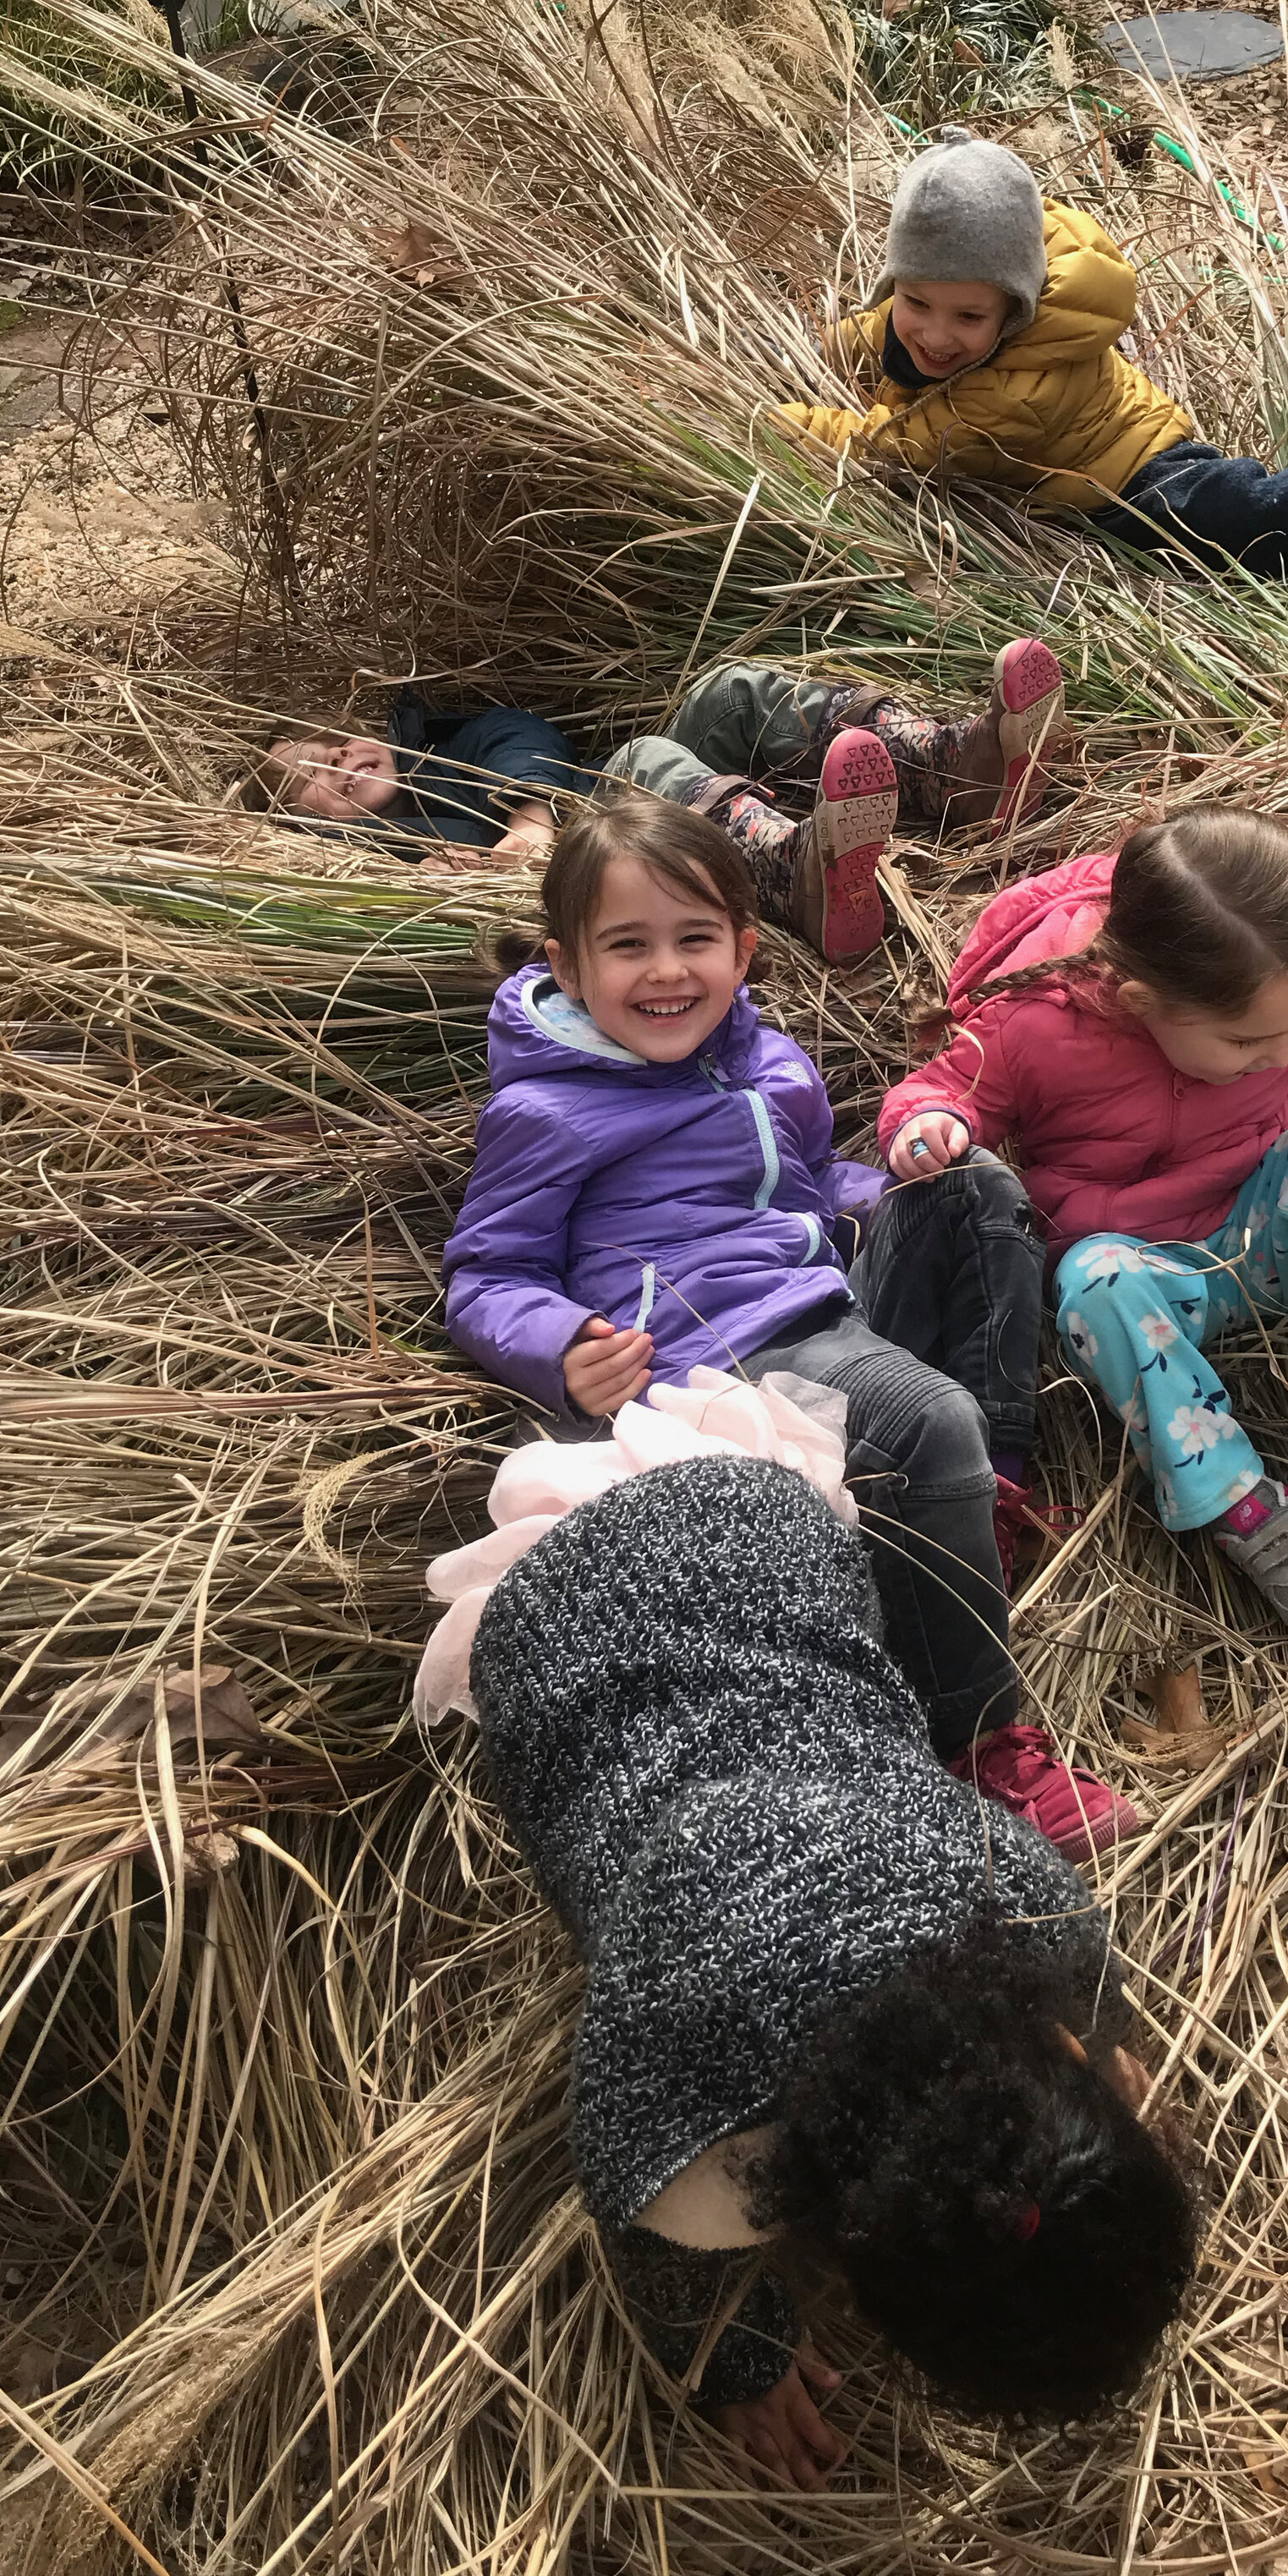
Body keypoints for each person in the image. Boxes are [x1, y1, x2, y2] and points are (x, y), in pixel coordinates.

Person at [468, 1451, 1195, 2483]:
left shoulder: (1038, 1909)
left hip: (765, 1527)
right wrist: (735, 2356)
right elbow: (652, 2242)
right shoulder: (690, 2159)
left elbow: (1099, 2020)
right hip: (547, 1644)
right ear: (852, 2267)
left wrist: (1110, 2078)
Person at [441, 792, 1136, 1855]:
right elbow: (489, 1273)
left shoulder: (767, 1062)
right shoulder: (545, 1109)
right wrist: (559, 1349)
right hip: (716, 1355)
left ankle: (987, 1490)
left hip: (824, 1298)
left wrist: (894, 1179)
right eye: (628, 947)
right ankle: (980, 1744)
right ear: (569, 967)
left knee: (980, 1189)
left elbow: (808, 1186)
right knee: (925, 1419)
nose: (667, 972)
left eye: (694, 941)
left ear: (744, 949)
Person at [876, 810, 1288, 1642]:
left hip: (1271, 1232)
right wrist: (929, 1127)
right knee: (1088, 1278)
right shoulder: (1031, 1029)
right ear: (1141, 998)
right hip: (1155, 1276)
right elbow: (950, 1085)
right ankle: (1250, 1515)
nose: (1280, 1055)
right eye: (1246, 1041)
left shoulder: (1266, 991)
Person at [778, 129, 1288, 590]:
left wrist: (785, 423)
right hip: (1091, 462)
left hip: (1130, 475)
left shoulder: (1014, 393)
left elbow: (888, 447)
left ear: (1017, 307)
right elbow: (876, 332)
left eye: (968, 317)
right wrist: (824, 346)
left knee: (1248, 517)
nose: (935, 336)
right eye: (918, 303)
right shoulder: (939, 303)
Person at [604, 635, 1066, 965]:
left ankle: (950, 767)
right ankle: (788, 869)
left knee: (729, 693)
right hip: (571, 817)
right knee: (641, 759)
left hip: (541, 781)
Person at [262, 689, 589, 869]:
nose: (338, 756)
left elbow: (517, 735)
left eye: (342, 741)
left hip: (600, 805)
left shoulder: (438, 750)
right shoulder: (368, 864)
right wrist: (431, 879)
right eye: (307, 774)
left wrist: (528, 816)